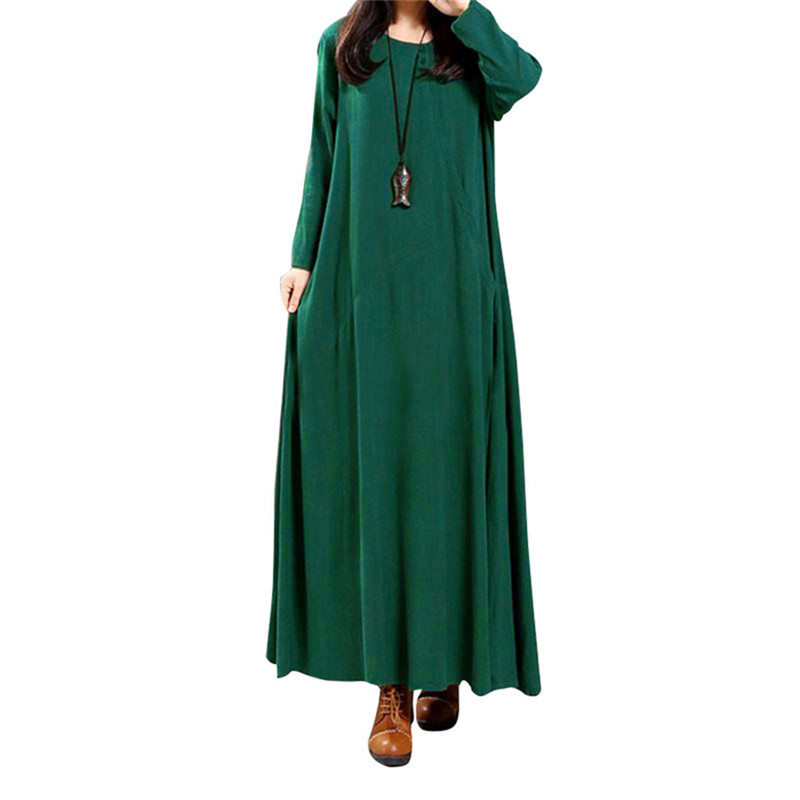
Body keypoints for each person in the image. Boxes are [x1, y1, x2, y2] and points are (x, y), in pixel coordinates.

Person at [267, 0, 543, 767]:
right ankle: (390, 685)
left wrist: (467, 10)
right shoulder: (341, 46)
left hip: (453, 292)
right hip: (362, 289)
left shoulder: (472, 50)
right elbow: (323, 155)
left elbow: (524, 78)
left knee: (445, 475)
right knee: (377, 478)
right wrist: (302, 257)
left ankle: (443, 664)